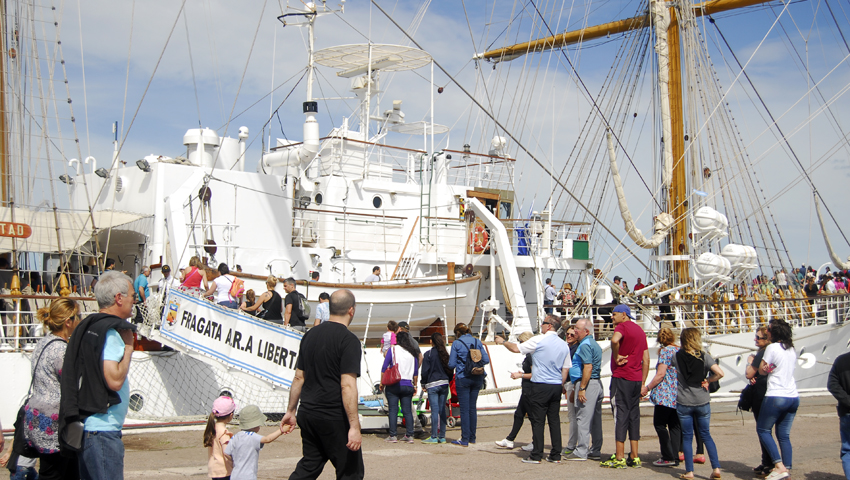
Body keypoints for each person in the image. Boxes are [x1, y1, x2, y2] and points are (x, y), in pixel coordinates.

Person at [59, 270, 137, 480]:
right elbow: (114, 381)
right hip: (103, 431)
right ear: (118, 298)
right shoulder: (110, 333)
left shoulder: (89, 327)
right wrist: (129, 348)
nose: (135, 300)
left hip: (89, 427)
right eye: (132, 296)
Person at [280, 289, 364, 479]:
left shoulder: (309, 336)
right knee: (351, 472)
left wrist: (291, 411)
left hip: (308, 412)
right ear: (351, 310)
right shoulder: (348, 340)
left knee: (310, 465)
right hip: (334, 416)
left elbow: (298, 378)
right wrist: (354, 426)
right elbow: (347, 386)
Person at [17, 298, 82, 480]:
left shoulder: (44, 342)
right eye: (78, 316)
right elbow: (72, 383)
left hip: (37, 417)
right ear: (68, 322)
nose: (80, 320)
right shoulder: (61, 350)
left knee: (64, 471)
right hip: (53, 425)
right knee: (54, 473)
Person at [495, 316, 570, 464]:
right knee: (554, 420)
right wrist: (560, 384)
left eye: (543, 323)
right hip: (555, 385)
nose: (541, 325)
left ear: (549, 326)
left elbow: (516, 348)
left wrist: (503, 342)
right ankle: (555, 454)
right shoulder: (563, 344)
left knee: (538, 421)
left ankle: (536, 455)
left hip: (541, 384)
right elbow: (566, 367)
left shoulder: (539, 340)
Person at [672, 328, 724, 480]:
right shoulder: (704, 356)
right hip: (702, 400)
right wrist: (708, 380)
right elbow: (720, 373)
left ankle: (689, 472)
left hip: (684, 401)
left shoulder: (676, 357)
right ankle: (716, 468)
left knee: (687, 437)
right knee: (706, 435)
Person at [602, 304, 649, 468]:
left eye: (614, 314)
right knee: (633, 415)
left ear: (624, 314)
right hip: (636, 379)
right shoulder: (640, 331)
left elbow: (614, 340)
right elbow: (647, 359)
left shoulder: (622, 327)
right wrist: (643, 382)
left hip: (622, 377)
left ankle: (620, 456)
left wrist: (616, 356)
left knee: (620, 415)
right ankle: (634, 455)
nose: (612, 317)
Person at [756, 319, 798, 480]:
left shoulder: (772, 347)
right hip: (792, 395)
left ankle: (778, 465)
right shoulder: (791, 349)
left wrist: (762, 367)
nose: (767, 332)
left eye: (769, 330)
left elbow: (762, 371)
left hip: (776, 394)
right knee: (783, 435)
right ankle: (787, 467)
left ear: (774, 333)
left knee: (763, 430)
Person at [641, 327, 680, 467]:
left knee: (660, 424)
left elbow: (660, 374)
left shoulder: (665, 351)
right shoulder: (679, 350)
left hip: (665, 394)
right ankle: (675, 454)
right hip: (677, 393)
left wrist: (647, 387)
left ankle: (668, 455)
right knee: (675, 426)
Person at [567, 318, 604, 462]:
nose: (574, 331)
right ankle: (595, 449)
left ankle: (582, 450)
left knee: (582, 418)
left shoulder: (585, 345)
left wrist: (581, 388)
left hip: (588, 384)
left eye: (577, 329)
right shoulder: (593, 344)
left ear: (586, 331)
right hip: (595, 384)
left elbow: (588, 367)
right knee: (595, 419)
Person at [448, 323, 490, 447]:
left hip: (463, 377)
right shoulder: (477, 342)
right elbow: (486, 360)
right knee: (472, 408)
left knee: (464, 409)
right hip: (477, 376)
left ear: (457, 333)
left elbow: (451, 364)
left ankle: (465, 438)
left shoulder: (457, 343)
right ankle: (472, 437)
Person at [494, 331, 535, 451]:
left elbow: (534, 375)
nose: (520, 345)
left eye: (521, 342)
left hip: (530, 388)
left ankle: (535, 441)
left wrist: (520, 375)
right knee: (519, 414)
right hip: (526, 388)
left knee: (532, 416)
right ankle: (510, 439)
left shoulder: (531, 356)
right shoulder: (530, 355)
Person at [225, 405, 286, 480]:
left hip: (234, 475)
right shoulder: (252, 436)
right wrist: (282, 430)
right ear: (255, 425)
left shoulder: (235, 436)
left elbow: (227, 454)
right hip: (248, 476)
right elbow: (267, 439)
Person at [381, 331, 420, 443]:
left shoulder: (393, 350)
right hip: (408, 384)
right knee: (407, 410)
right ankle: (409, 435)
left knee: (393, 409)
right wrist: (415, 385)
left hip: (394, 384)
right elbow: (415, 372)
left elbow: (384, 367)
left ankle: (393, 435)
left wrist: (382, 383)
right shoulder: (413, 353)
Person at [746, 326, 773, 475]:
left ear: (766, 339)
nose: (755, 340)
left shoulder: (761, 353)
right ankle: (767, 461)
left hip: (761, 395)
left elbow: (749, 374)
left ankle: (769, 462)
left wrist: (750, 362)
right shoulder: (772, 352)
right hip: (770, 392)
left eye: (758, 337)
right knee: (768, 430)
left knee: (763, 429)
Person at [421, 332, 453, 444]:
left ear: (431, 341)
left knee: (434, 411)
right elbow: (450, 369)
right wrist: (448, 380)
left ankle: (434, 436)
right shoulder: (444, 353)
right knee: (442, 410)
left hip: (433, 384)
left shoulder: (428, 354)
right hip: (444, 383)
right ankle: (442, 436)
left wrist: (423, 383)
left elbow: (425, 371)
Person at [828, 350, 850, 480]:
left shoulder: (841, 360)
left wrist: (847, 400)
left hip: (846, 411)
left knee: (848, 450)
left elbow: (832, 384)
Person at [204, 396, 235, 480]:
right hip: (224, 470)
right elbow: (226, 452)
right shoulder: (224, 433)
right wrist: (235, 463)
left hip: (214, 469)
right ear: (231, 415)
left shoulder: (212, 428)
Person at [563, 325, 580, 455]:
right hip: (568, 383)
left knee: (573, 415)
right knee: (573, 415)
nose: (569, 336)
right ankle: (574, 443)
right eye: (567, 334)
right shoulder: (568, 348)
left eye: (572, 334)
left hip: (571, 383)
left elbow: (569, 368)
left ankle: (572, 445)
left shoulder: (574, 349)